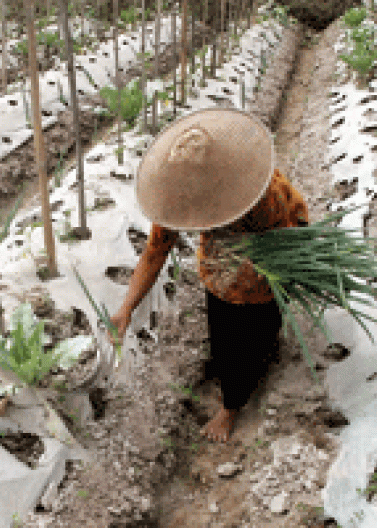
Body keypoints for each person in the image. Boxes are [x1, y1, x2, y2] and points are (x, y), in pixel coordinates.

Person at [108, 108, 309, 443]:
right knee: (224, 330)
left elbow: (290, 247)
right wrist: (126, 308)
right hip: (220, 267)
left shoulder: (264, 198)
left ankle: (232, 406)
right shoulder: (177, 198)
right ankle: (234, 375)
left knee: (258, 325)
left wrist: (255, 263)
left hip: (267, 264)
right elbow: (156, 251)